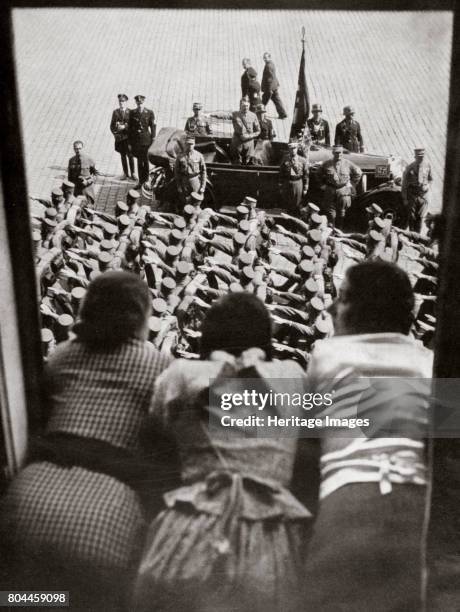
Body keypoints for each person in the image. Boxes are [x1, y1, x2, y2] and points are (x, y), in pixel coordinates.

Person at [0, 272, 172, 610]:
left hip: (26, 505)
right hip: (103, 524)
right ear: (141, 317)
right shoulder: (161, 367)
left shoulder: (63, 355)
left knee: (24, 600)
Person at [133, 292, 312, 612]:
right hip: (269, 538)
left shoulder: (180, 376)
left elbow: (155, 439)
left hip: (188, 532)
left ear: (209, 336)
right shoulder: (293, 378)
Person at [304, 260, 433, 612]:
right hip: (415, 512)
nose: (331, 307)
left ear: (361, 308)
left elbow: (307, 446)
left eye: (342, 298)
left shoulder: (327, 354)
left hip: (347, 507)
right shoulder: (429, 364)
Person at [319, 144, 362, 229]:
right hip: (330, 190)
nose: (338, 155)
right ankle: (331, 229)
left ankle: (339, 229)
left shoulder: (348, 163)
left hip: (343, 190)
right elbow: (318, 174)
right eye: (336, 153)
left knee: (342, 212)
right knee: (330, 212)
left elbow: (358, 173)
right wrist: (322, 185)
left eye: (340, 153)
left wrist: (352, 185)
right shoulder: (327, 164)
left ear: (342, 153)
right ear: (333, 153)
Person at [401, 148, 433, 233]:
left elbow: (430, 179)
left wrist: (428, 186)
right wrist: (405, 198)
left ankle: (417, 237)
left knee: (420, 217)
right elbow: (404, 184)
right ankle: (411, 235)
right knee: (412, 217)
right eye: (418, 157)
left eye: (422, 156)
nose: (420, 158)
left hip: (423, 195)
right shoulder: (410, 167)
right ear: (415, 157)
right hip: (412, 195)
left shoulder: (428, 165)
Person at [128, 95, 156, 188]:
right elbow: (130, 128)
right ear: (136, 103)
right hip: (136, 141)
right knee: (139, 162)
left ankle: (147, 180)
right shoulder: (132, 112)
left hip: (146, 141)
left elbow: (152, 126)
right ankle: (140, 181)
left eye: (141, 103)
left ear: (144, 103)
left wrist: (153, 139)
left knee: (146, 161)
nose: (140, 105)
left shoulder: (149, 112)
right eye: (138, 103)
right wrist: (130, 142)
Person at [174, 135, 207, 207]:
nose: (190, 146)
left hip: (195, 181)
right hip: (184, 181)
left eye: (191, 144)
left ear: (194, 144)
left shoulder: (199, 155)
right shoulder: (180, 156)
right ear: (185, 144)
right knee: (185, 202)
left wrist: (203, 187)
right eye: (188, 144)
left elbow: (203, 171)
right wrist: (179, 186)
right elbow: (176, 172)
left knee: (196, 203)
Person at [110, 93, 136, 181]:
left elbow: (133, 126)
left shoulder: (131, 112)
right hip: (120, 138)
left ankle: (133, 173)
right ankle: (125, 173)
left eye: (123, 101)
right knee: (123, 155)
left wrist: (125, 127)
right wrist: (116, 134)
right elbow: (112, 126)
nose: (121, 103)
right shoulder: (115, 112)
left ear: (126, 102)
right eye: (120, 101)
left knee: (130, 155)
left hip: (128, 138)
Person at [278, 140, 309, 214]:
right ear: (289, 149)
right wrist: (280, 185)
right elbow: (281, 172)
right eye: (291, 148)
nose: (293, 150)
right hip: (287, 182)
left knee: (297, 202)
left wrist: (305, 187)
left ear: (297, 148)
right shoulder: (285, 159)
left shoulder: (303, 160)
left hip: (298, 182)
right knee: (287, 202)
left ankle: (296, 217)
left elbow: (306, 175)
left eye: (294, 148)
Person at [231, 97, 260, 164]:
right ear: (240, 106)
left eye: (247, 106)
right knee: (236, 162)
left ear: (249, 105)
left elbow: (258, 131)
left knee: (248, 162)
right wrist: (210, 114)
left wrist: (249, 136)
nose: (245, 107)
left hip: (249, 144)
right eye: (243, 106)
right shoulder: (235, 114)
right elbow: (224, 115)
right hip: (237, 143)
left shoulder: (253, 115)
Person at [67, 140, 98, 204]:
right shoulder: (71, 160)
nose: (78, 150)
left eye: (80, 148)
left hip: (87, 190)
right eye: (76, 149)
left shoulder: (89, 159)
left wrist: (87, 181)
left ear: (83, 148)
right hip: (76, 190)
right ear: (74, 149)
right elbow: (69, 177)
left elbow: (95, 174)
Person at [261, 51, 287, 119]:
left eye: (266, 58)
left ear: (269, 57)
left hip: (270, 88)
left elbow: (270, 78)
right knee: (277, 100)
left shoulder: (268, 66)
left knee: (264, 100)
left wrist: (269, 89)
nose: (264, 59)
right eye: (264, 58)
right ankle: (283, 114)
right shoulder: (271, 63)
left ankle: (259, 112)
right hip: (274, 86)